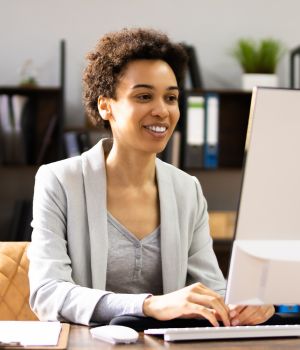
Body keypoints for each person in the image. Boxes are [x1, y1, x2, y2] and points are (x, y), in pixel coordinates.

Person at [28, 27, 274, 327]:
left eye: (171, 98)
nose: (162, 111)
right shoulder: (59, 181)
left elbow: (212, 290)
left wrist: (242, 307)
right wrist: (149, 305)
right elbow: (47, 293)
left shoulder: (188, 189)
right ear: (106, 106)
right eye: (144, 96)